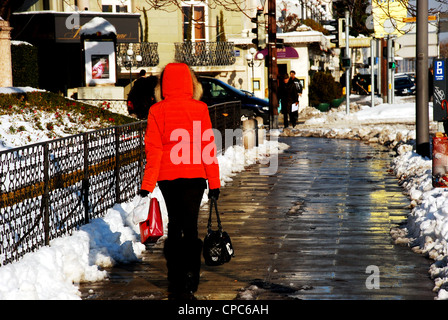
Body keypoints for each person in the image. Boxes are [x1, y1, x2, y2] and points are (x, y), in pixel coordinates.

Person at [137, 63, 221, 300]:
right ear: (190, 82)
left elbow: (153, 151)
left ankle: (174, 279)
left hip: (168, 178)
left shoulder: (157, 111)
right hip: (195, 177)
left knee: (174, 226)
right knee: (191, 227)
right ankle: (191, 279)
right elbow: (207, 148)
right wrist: (214, 182)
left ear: (163, 85)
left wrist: (147, 185)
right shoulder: (200, 108)